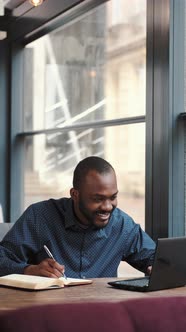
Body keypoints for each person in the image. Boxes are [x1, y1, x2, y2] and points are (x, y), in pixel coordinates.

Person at [0, 156, 155, 278]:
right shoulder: (40, 216)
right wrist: (30, 270)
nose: (108, 206)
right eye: (98, 199)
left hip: (102, 311)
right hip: (50, 311)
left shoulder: (122, 225)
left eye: (113, 197)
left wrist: (156, 267)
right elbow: (2, 260)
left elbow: (154, 257)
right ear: (75, 194)